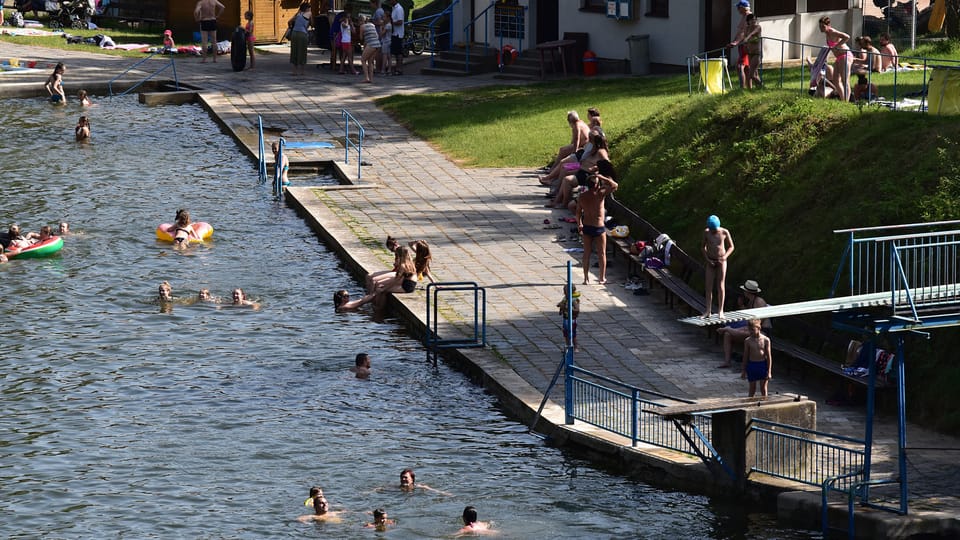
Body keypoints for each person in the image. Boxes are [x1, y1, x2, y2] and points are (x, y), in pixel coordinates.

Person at [576, 160, 618, 285]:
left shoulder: (582, 196)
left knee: (586, 253)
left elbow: (578, 212)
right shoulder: (600, 194)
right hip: (599, 228)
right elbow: (615, 185)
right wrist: (602, 177)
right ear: (596, 185)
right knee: (602, 253)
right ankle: (601, 278)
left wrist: (579, 224)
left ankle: (585, 278)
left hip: (587, 226)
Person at [716, 280, 770, 367]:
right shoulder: (750, 301)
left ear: (747, 292)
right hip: (752, 328)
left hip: (762, 330)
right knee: (727, 335)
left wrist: (744, 328)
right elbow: (748, 318)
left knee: (731, 330)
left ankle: (727, 328)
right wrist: (741, 306)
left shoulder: (759, 302)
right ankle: (727, 361)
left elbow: (758, 323)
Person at [539, 111, 590, 185]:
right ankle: (552, 172)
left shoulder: (576, 125)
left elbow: (576, 139)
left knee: (563, 156)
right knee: (563, 153)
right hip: (583, 146)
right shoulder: (581, 122)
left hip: (581, 147)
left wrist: (574, 152)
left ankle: (551, 174)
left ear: (569, 121)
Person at [702, 214, 734, 318]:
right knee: (708, 286)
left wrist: (724, 257)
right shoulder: (706, 233)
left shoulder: (724, 232)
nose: (713, 231)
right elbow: (703, 247)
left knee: (720, 285)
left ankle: (721, 310)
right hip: (711, 262)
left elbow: (731, 247)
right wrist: (707, 259)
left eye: (714, 230)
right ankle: (708, 311)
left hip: (721, 261)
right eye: (711, 230)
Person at [819, 16, 852, 103]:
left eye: (823, 27)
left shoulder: (832, 32)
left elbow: (847, 37)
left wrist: (837, 45)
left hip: (845, 55)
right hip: (838, 58)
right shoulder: (827, 34)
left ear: (828, 25)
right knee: (836, 81)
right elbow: (830, 47)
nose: (821, 28)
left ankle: (846, 102)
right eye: (820, 26)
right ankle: (843, 99)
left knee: (845, 80)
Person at [740, 319, 773, 397]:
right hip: (752, 365)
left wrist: (769, 371)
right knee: (752, 388)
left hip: (762, 364)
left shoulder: (766, 340)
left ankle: (765, 404)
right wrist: (743, 370)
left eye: (753, 330)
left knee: (763, 388)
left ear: (759, 328)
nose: (750, 332)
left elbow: (769, 356)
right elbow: (745, 356)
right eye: (749, 330)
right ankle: (750, 405)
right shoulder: (748, 341)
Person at [728, 0, 752, 89]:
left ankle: (742, 89)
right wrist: (733, 42)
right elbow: (739, 32)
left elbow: (743, 33)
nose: (737, 9)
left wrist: (735, 42)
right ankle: (749, 88)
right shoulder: (744, 16)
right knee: (746, 68)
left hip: (747, 45)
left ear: (742, 8)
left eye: (738, 7)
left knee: (739, 66)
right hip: (742, 45)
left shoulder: (749, 16)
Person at [288, 2, 311, 76]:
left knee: (294, 51)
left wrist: (291, 27)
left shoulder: (298, 14)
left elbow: (289, 21)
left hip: (294, 33)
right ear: (307, 9)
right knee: (302, 51)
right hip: (302, 34)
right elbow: (312, 24)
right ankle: (302, 71)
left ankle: (294, 71)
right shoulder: (309, 14)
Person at [741, 13, 762, 89]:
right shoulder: (746, 28)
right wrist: (745, 45)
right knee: (755, 73)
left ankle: (761, 85)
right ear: (748, 21)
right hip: (750, 53)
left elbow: (753, 33)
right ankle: (756, 89)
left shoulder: (758, 27)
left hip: (757, 53)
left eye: (755, 19)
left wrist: (747, 38)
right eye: (752, 19)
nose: (753, 21)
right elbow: (744, 37)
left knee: (751, 74)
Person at [557, 284, 580, 351]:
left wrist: (568, 308)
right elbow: (561, 303)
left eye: (565, 291)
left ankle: (575, 347)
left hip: (572, 319)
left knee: (573, 333)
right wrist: (560, 307)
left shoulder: (574, 300)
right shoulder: (565, 298)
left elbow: (577, 310)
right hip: (565, 318)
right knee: (565, 333)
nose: (564, 292)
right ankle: (567, 345)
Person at [359, 15, 380, 83]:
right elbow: (377, 35)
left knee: (363, 60)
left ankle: (366, 78)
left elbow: (361, 38)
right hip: (377, 43)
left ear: (360, 21)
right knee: (370, 61)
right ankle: (371, 78)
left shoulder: (362, 26)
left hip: (371, 44)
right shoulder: (372, 25)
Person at [389, 0, 405, 75]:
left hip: (398, 33)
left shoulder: (399, 9)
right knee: (395, 52)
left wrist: (391, 23)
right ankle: (397, 68)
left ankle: (399, 69)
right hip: (394, 33)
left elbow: (400, 22)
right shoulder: (394, 8)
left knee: (399, 52)